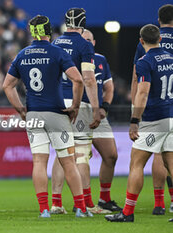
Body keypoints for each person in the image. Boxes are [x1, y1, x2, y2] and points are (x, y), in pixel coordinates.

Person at [3, 15, 92, 218]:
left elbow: (7, 85)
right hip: (57, 113)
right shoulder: (57, 52)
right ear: (48, 31)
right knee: (68, 161)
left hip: (33, 114)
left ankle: (44, 209)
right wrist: (76, 106)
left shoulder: (22, 54)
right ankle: (81, 208)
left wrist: (21, 109)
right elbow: (77, 80)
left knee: (39, 162)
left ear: (31, 32)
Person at [105, 24, 173, 222]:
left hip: (154, 118)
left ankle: (127, 212)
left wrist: (135, 120)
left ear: (141, 41)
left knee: (136, 163)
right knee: (170, 164)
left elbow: (142, 93)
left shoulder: (145, 61)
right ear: (160, 39)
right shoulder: (171, 57)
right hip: (171, 116)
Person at [50, 29, 121, 214]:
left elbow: (109, 88)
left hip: (96, 112)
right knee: (74, 154)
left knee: (111, 155)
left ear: (94, 43)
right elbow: (87, 82)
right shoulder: (71, 58)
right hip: (80, 108)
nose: (86, 43)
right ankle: (82, 202)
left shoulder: (100, 60)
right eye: (84, 40)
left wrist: (104, 107)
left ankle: (103, 199)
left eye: (89, 40)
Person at [50, 8, 101, 214]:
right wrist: (96, 108)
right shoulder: (84, 45)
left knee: (61, 154)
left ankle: (55, 203)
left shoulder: (54, 43)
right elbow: (88, 78)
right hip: (77, 102)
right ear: (83, 23)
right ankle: (85, 204)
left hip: (56, 102)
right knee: (80, 155)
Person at [131, 4, 173, 215]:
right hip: (171, 107)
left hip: (154, 111)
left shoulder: (145, 54)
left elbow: (138, 81)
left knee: (142, 160)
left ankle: (157, 204)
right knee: (170, 157)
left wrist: (134, 113)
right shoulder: (169, 55)